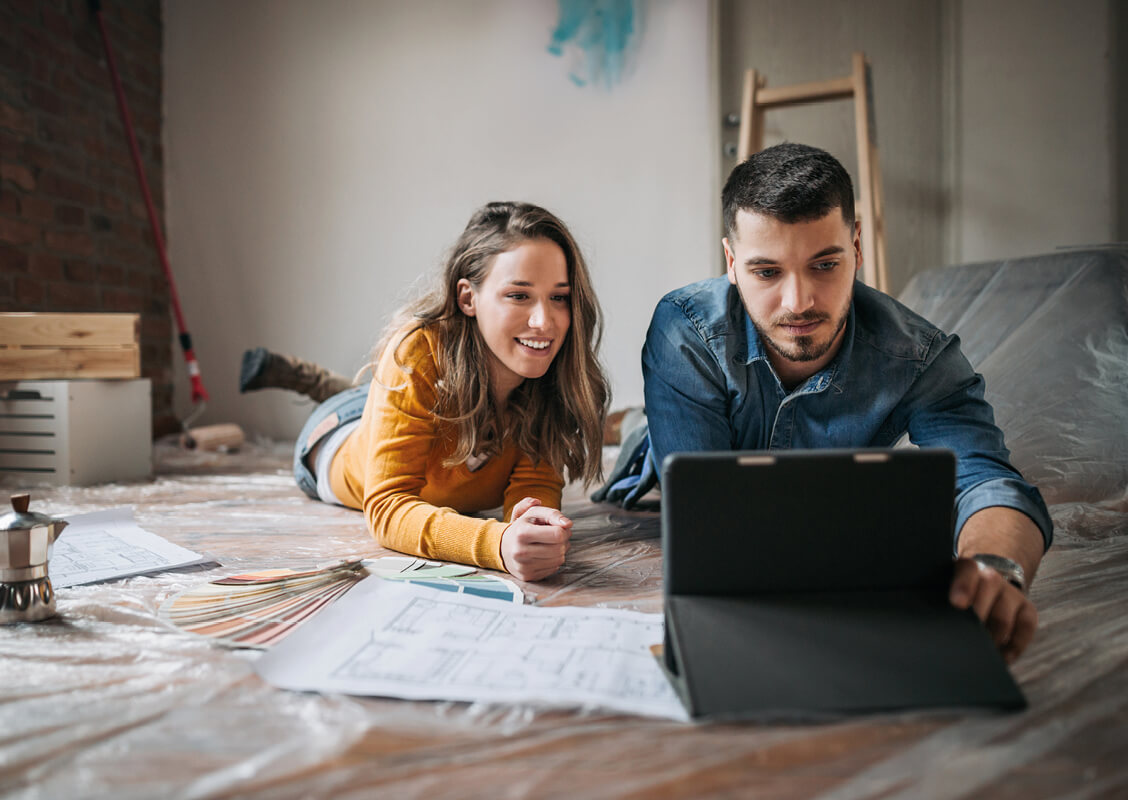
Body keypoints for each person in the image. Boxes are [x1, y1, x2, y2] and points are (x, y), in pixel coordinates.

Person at [640, 143, 1052, 663]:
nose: (798, 303)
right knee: (645, 447)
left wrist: (997, 567)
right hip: (681, 440)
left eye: (825, 264)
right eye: (766, 272)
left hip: (819, 475)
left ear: (857, 247)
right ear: (731, 262)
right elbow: (707, 522)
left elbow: (987, 479)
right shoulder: (686, 330)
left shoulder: (919, 358)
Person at [242, 201, 609, 581]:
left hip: (422, 397)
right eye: (519, 295)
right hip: (334, 435)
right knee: (360, 394)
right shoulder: (416, 352)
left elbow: (534, 484)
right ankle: (304, 377)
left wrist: (533, 525)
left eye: (559, 297)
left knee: (376, 390)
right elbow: (387, 508)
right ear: (468, 298)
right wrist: (496, 543)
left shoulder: (552, 374)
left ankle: (347, 386)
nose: (543, 321)